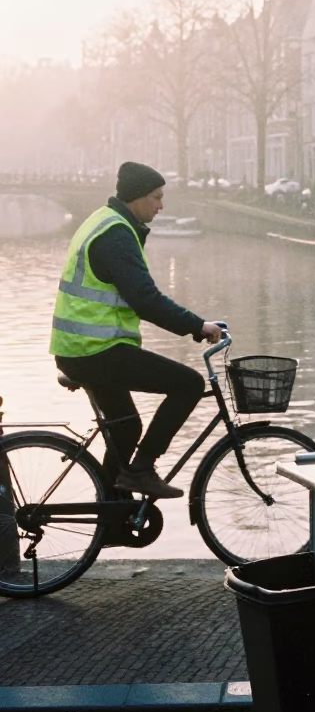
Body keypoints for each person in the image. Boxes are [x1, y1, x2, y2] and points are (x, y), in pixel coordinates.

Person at [50, 162, 223, 498]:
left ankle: (112, 514)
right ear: (136, 198)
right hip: (95, 350)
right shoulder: (116, 233)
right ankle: (142, 470)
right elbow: (145, 299)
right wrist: (197, 326)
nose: (162, 205)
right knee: (189, 384)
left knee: (127, 428)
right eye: (156, 197)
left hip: (81, 347)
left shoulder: (103, 219)